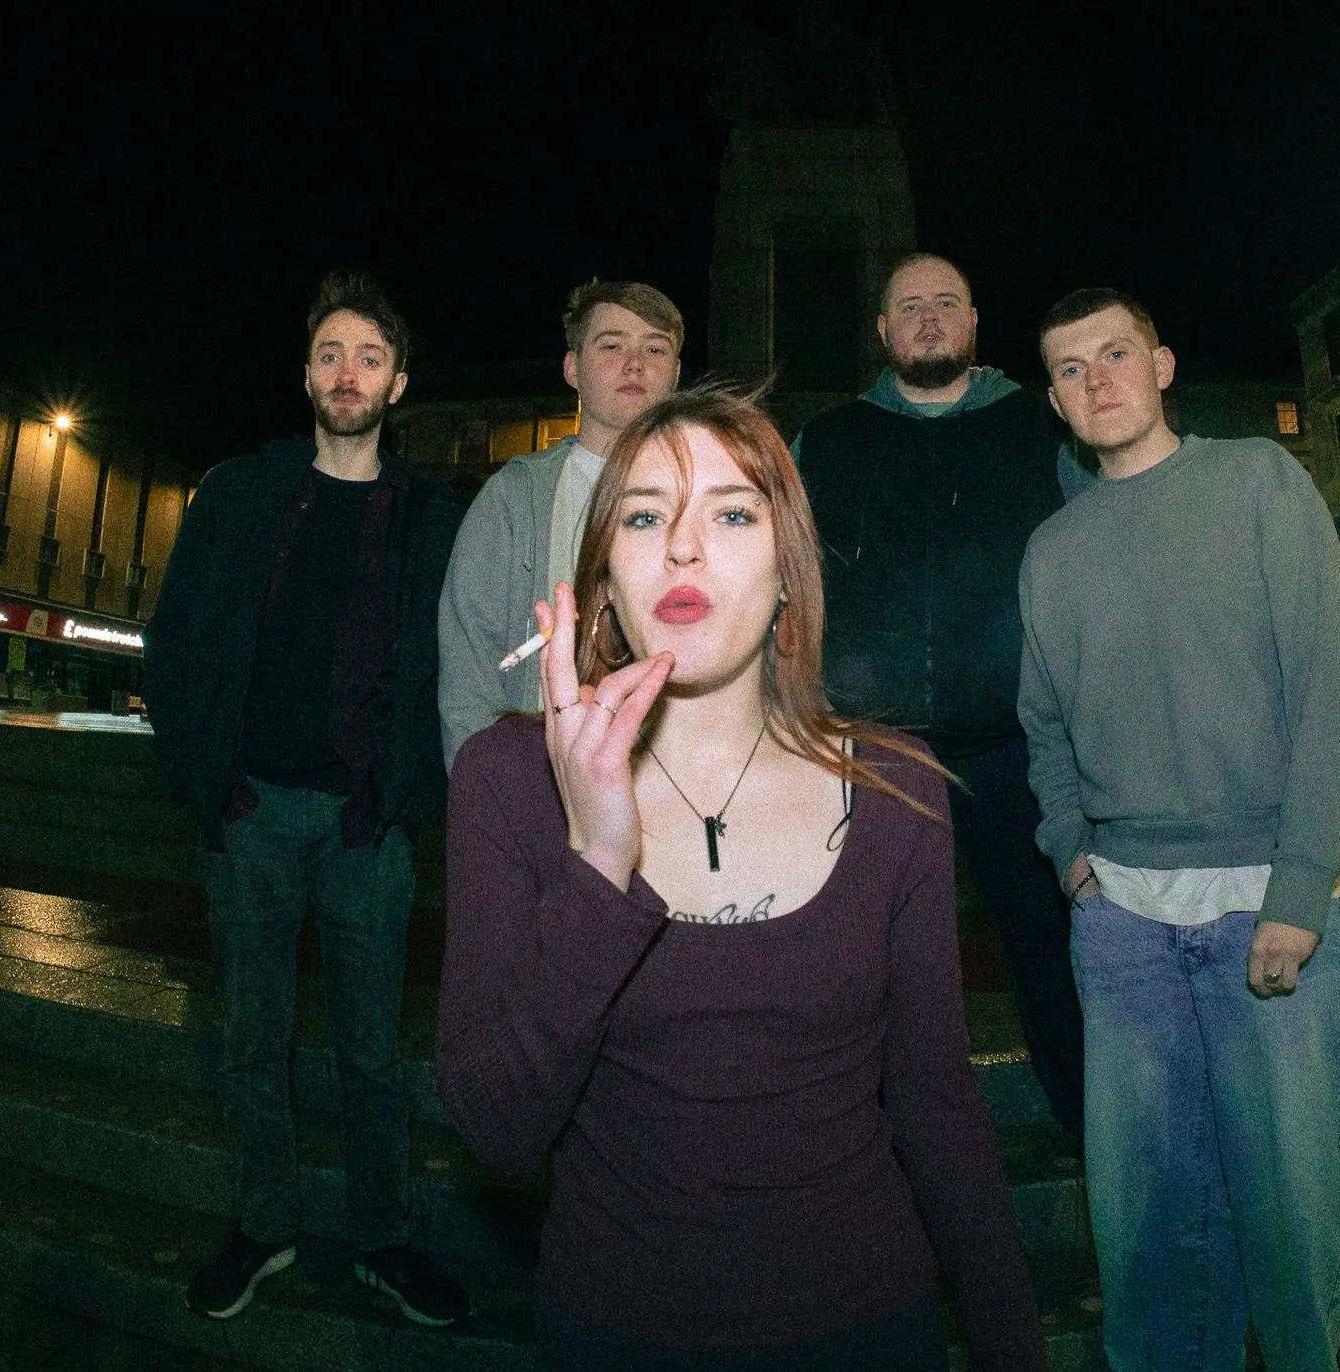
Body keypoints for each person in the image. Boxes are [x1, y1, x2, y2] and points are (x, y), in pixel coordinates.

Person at [438, 387, 1047, 1371]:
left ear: (789, 577)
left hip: (870, 1325)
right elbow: (497, 1128)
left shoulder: (895, 790)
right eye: (644, 515)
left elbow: (935, 1099)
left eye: (731, 511)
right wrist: (598, 857)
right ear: (600, 586)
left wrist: (1012, 1344)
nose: (684, 546)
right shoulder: (508, 779)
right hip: (614, 1330)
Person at [1019, 287, 1340, 1372]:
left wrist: (1300, 886)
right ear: (1053, 397)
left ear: (1163, 364)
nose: (1098, 380)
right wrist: (1071, 854)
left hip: (1265, 906)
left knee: (1294, 1209)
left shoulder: (1259, 482)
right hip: (1122, 924)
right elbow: (1042, 721)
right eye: (1072, 369)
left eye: (1116, 353)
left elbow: (1334, 692)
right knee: (1147, 1223)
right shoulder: (1052, 546)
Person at [145, 269, 469, 1328]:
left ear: (399, 383)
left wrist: (404, 794)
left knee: (373, 1051)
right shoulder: (240, 491)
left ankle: (383, 1237)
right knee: (252, 1037)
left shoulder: (432, 516)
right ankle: (264, 1224)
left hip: (364, 827)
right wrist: (211, 780)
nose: (347, 372)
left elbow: (451, 664)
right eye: (331, 354)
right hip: (250, 818)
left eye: (369, 357)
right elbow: (175, 639)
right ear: (305, 375)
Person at [794, 251, 1088, 1142]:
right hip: (874, 754)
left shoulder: (1043, 430)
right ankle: (862, 1157)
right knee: (865, 971)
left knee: (1047, 952)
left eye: (945, 303)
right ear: (882, 332)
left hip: (1015, 749)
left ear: (972, 324)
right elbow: (786, 581)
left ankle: (1092, 1138)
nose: (927, 318)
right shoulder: (827, 440)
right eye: (908, 307)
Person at [437, 279, 683, 766]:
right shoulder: (514, 499)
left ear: (676, 373)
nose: (634, 362)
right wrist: (492, 799)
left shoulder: (708, 497)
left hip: (675, 781)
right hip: (545, 779)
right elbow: (470, 666)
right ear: (572, 368)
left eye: (655, 348)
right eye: (611, 345)